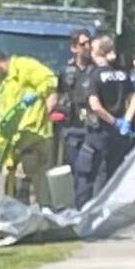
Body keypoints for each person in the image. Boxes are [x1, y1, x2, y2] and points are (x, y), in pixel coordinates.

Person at [0, 48, 58, 206]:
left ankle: (43, 221)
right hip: (17, 143)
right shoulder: (3, 87)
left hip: (35, 137)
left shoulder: (23, 66)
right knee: (15, 188)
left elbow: (50, 79)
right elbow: (5, 122)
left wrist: (38, 95)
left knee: (38, 188)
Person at [75, 34, 135, 209]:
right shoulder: (122, 74)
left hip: (100, 131)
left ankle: (89, 210)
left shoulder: (94, 75)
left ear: (99, 52)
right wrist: (126, 120)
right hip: (120, 134)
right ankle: (109, 209)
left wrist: (112, 121)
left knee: (88, 171)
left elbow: (95, 106)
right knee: (113, 172)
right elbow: (134, 98)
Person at [58, 29, 93, 192]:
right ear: (74, 48)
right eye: (83, 44)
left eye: (89, 43)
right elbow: (57, 95)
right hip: (71, 127)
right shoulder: (66, 72)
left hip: (91, 127)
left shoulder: (95, 70)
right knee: (72, 170)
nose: (87, 47)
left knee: (87, 171)